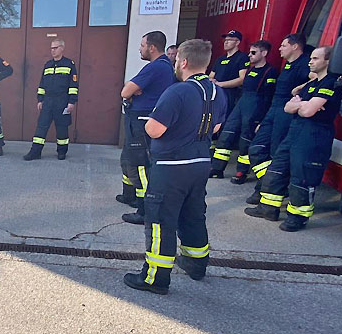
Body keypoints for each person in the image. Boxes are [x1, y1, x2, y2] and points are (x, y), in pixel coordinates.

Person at [123, 39, 227, 296]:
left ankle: (155, 277)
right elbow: (215, 128)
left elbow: (155, 129)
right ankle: (196, 264)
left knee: (160, 220)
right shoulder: (217, 92)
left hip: (171, 167)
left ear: (184, 61)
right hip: (200, 163)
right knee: (193, 215)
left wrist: (151, 124)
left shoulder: (177, 92)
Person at [244, 46, 342, 231]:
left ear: (327, 61)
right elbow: (288, 107)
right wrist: (303, 104)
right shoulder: (312, 85)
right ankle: (268, 208)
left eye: (315, 58)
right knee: (277, 168)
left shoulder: (331, 83)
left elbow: (307, 111)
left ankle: (297, 218)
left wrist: (302, 105)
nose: (310, 61)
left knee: (302, 176)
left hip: (314, 135)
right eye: (311, 58)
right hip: (295, 131)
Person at [246, 33, 313, 204]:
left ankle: (270, 191)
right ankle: (264, 183)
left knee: (276, 153)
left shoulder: (305, 63)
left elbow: (319, 79)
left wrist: (300, 88)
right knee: (256, 148)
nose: (279, 49)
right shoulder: (288, 65)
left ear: (295, 46)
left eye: (283, 45)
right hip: (274, 110)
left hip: (287, 113)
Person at [118, 31, 175, 225]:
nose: (140, 49)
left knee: (140, 165)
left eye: (142, 45)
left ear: (152, 47)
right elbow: (130, 88)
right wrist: (134, 88)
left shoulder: (155, 67)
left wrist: (134, 89)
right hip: (139, 121)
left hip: (141, 123)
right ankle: (129, 195)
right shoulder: (164, 66)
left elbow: (126, 91)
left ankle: (144, 210)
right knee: (128, 160)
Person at [209, 40, 277, 182]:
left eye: (253, 53)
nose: (250, 55)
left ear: (264, 53)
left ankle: (241, 172)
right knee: (227, 133)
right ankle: (217, 168)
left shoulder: (270, 72)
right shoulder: (250, 70)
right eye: (249, 52)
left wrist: (262, 118)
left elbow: (268, 96)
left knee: (245, 139)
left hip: (256, 106)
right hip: (242, 103)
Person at [22, 39, 78, 161]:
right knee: (41, 127)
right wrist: (40, 99)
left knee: (62, 128)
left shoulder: (69, 64)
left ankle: (62, 151)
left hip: (62, 101)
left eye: (55, 48)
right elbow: (42, 84)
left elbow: (73, 84)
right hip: (48, 101)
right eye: (51, 48)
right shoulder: (47, 65)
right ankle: (35, 152)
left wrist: (71, 102)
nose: (53, 50)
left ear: (62, 48)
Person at [209, 30, 250, 117]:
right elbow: (211, 76)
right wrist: (212, 81)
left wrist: (221, 84)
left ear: (237, 42)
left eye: (230, 40)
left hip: (231, 95)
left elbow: (242, 79)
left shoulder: (242, 57)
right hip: (216, 94)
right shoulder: (220, 59)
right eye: (225, 40)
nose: (226, 42)